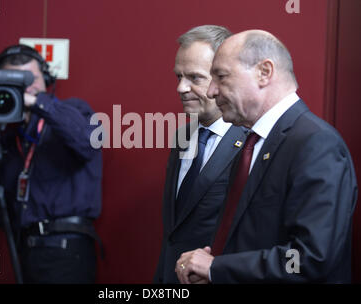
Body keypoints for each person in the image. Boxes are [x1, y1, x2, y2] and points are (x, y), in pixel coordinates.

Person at [175, 30, 358, 283]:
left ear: (264, 72)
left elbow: (308, 259)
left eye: (221, 76)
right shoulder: (251, 144)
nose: (212, 91)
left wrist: (218, 268)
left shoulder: (316, 144)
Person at [0, 44, 103, 284]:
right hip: (25, 250)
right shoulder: (9, 139)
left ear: (47, 79)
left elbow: (86, 142)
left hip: (67, 250)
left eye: (30, 79)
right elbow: (3, 214)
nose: (25, 87)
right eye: (13, 81)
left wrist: (35, 102)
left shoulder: (74, 110)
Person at [153, 25, 246, 283]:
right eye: (178, 77)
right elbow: (175, 232)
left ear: (222, 78)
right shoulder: (183, 137)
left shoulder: (251, 144)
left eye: (194, 78)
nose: (181, 88)